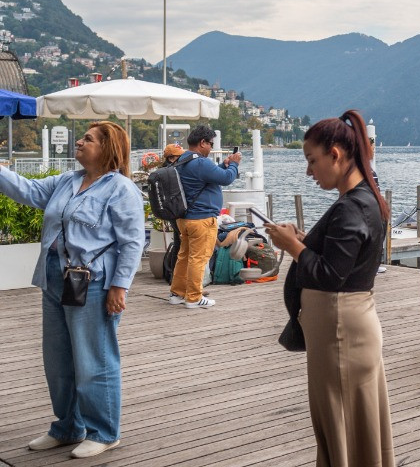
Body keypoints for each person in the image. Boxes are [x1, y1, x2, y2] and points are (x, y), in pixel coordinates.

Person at [0, 121, 144, 459]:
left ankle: (104, 432)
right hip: (54, 276)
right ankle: (67, 426)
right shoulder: (69, 180)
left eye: (88, 139)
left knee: (94, 358)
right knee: (58, 358)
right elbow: (28, 191)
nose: (79, 142)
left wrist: (119, 286)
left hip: (93, 282)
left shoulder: (121, 189)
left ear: (107, 149)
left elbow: (133, 242)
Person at [265, 109, 395, 467]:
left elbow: (329, 275)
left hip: (341, 331)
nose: (309, 171)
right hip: (346, 326)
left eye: (312, 160)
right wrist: (304, 241)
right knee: (354, 425)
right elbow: (343, 259)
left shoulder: (352, 207)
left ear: (335, 155)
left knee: (340, 425)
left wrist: (293, 247)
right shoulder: (363, 200)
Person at [168, 125, 241, 308]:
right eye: (210, 143)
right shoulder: (201, 162)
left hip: (184, 219)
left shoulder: (183, 159)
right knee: (198, 258)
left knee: (184, 256)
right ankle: (193, 297)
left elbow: (208, 176)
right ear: (202, 143)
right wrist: (234, 164)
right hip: (201, 219)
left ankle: (177, 293)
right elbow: (226, 179)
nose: (210, 147)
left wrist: (222, 166)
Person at [160, 143, 184, 282]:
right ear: (171, 158)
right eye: (179, 157)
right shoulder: (171, 172)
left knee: (178, 242)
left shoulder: (164, 171)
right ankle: (175, 277)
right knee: (180, 244)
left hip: (172, 211)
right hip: (176, 211)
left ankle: (173, 276)